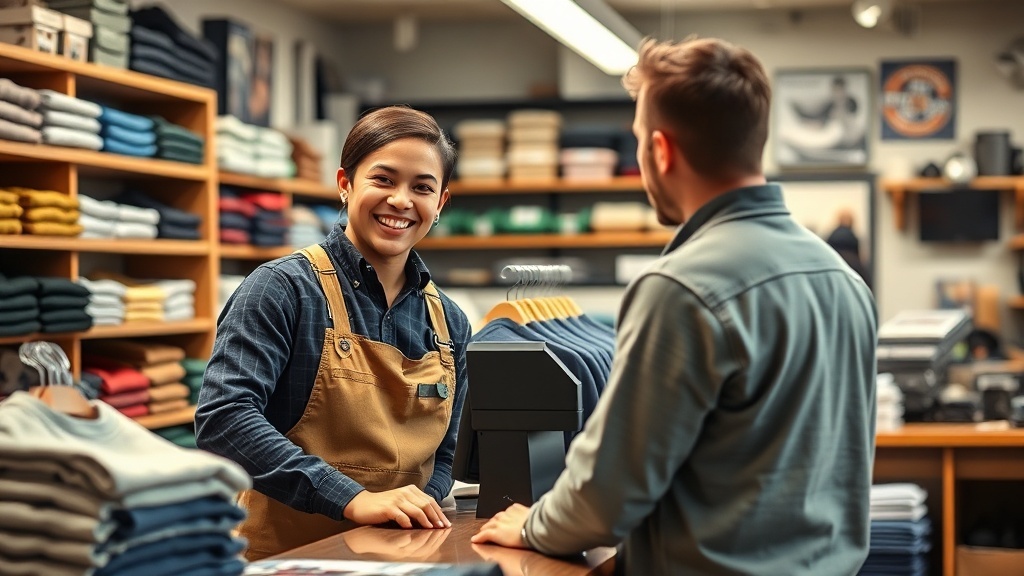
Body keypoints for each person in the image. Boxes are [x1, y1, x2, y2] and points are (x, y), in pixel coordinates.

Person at [472, 37, 878, 574]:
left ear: (660, 152)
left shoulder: (681, 288)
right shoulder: (845, 282)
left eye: (640, 142)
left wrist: (532, 525)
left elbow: (609, 492)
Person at [196, 106, 470, 561]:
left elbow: (448, 452)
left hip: (402, 560)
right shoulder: (283, 290)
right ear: (345, 184)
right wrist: (353, 498)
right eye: (383, 179)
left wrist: (423, 504)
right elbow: (224, 420)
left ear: (440, 203)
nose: (402, 200)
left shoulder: (450, 323)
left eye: (422, 187)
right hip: (288, 561)